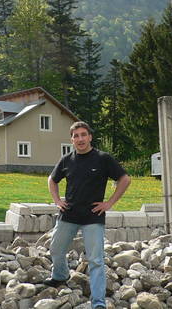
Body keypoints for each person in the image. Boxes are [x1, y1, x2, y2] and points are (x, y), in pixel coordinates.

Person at [45, 121, 131, 309]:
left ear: (90, 137)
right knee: (56, 249)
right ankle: (60, 275)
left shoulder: (103, 158)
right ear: (72, 140)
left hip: (93, 216)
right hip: (69, 214)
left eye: (83, 135)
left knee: (96, 260)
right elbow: (52, 179)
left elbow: (125, 179)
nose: (80, 139)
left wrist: (109, 203)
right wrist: (57, 200)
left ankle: (98, 303)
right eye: (76, 136)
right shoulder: (67, 159)